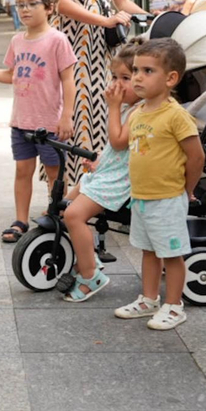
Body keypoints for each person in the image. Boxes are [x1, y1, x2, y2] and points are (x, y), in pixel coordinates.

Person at [45, 0, 148, 189]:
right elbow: (61, 3)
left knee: (105, 114)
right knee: (75, 118)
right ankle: (68, 192)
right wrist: (105, 20)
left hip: (105, 52)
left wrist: (157, 16)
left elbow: (122, 1)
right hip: (73, 48)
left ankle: (99, 189)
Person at [113, 39, 203, 330]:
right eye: (136, 70)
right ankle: (149, 299)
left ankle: (175, 305)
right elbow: (121, 145)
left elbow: (196, 156)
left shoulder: (176, 116)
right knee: (149, 251)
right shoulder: (138, 112)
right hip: (142, 197)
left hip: (167, 197)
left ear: (171, 78)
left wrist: (187, 189)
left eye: (147, 71)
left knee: (171, 254)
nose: (137, 77)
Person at [0, 0, 76, 243]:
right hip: (21, 122)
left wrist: (66, 115)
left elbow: (69, 81)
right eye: (21, 4)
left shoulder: (58, 40)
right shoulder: (17, 41)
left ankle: (55, 213)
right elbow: (11, 74)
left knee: (55, 172)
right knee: (22, 171)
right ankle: (20, 219)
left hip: (48, 123)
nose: (24, 9)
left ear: (49, 8)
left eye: (32, 3)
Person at [61, 44, 137, 301]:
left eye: (125, 78)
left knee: (73, 215)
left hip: (122, 179)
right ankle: (87, 255)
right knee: (66, 206)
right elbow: (115, 149)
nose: (117, 84)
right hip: (110, 172)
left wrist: (113, 107)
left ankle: (91, 274)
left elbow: (119, 142)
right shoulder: (128, 107)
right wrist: (100, 161)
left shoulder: (139, 110)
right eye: (114, 77)